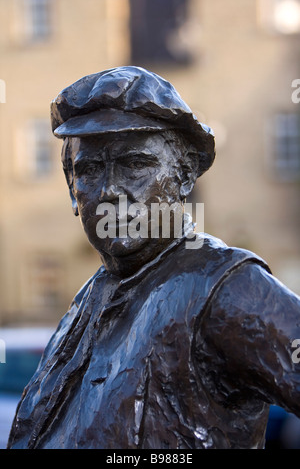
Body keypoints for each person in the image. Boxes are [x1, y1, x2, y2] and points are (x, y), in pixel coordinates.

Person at [7, 66, 300, 449]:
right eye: (90, 169)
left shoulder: (225, 289)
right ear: (71, 191)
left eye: (136, 164)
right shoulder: (88, 298)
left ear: (183, 177)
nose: (110, 190)